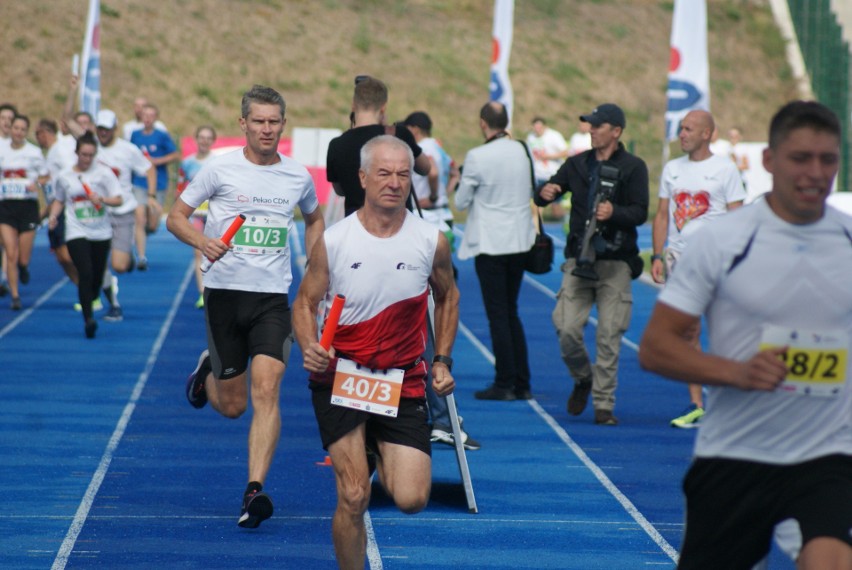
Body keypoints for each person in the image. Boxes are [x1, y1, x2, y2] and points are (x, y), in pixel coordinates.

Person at [638, 100, 852, 569]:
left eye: (828, 159)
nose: (816, 172)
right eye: (801, 158)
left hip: (828, 454)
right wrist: (735, 371)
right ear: (769, 161)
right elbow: (656, 348)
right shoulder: (723, 241)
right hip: (737, 452)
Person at [293, 135, 459, 569]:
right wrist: (311, 345)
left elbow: (448, 296)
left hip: (402, 381)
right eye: (384, 173)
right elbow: (305, 302)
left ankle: (373, 446)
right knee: (353, 494)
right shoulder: (335, 240)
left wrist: (441, 359)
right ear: (362, 178)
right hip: (341, 376)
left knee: (411, 498)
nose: (394, 182)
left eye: (403, 174)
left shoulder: (431, 240)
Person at [167, 85, 324, 529]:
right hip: (224, 296)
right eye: (259, 121)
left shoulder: (297, 176)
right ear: (244, 124)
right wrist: (203, 241)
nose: (267, 129)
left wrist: (316, 262)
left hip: (273, 299)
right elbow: (175, 217)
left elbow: (314, 219)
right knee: (233, 405)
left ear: (283, 125)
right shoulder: (219, 170)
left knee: (268, 389)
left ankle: (254, 489)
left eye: (274, 121)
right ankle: (207, 375)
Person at [534, 103, 649, 425]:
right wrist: (546, 191)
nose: (591, 130)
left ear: (616, 131)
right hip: (579, 260)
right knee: (566, 328)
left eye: (598, 125)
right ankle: (584, 377)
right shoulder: (576, 164)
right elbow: (545, 195)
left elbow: (640, 211)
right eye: (590, 125)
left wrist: (616, 214)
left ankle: (603, 405)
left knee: (610, 335)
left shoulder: (634, 167)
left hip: (615, 262)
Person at [651, 110, 746, 428]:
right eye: (681, 129)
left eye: (689, 129)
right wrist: (656, 255)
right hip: (679, 262)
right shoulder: (672, 169)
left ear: (707, 134)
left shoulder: (724, 169)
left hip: (715, 262)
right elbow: (663, 214)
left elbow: (738, 218)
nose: (682, 134)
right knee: (688, 332)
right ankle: (696, 404)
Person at [403, 110, 477, 449]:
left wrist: (431, 194)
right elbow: (452, 170)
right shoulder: (441, 146)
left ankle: (439, 416)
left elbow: (430, 168)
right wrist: (444, 192)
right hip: (441, 216)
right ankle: (441, 416)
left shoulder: (425, 147)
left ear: (415, 130)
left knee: (430, 308)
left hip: (428, 220)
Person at [456, 101, 536, 401]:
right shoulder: (522, 150)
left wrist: (460, 180)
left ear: (482, 123)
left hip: (490, 243)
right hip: (519, 240)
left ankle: (504, 382)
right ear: (507, 122)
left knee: (498, 314)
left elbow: (462, 201)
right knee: (511, 312)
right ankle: (522, 382)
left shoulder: (477, 156)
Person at [48, 133, 123, 338]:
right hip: (76, 230)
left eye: (91, 155)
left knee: (97, 276)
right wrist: (53, 216)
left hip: (101, 231)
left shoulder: (104, 174)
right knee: (85, 271)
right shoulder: (65, 176)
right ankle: (88, 319)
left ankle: (93, 297)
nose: (87, 159)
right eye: (83, 154)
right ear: (76, 153)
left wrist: (102, 199)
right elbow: (59, 200)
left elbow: (119, 199)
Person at [326, 75, 430, 217]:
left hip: (356, 227)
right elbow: (425, 168)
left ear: (353, 105)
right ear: (383, 108)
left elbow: (340, 191)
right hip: (396, 226)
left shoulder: (336, 145)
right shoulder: (399, 134)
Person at [91, 109, 156, 321]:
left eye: (107, 129)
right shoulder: (90, 149)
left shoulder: (128, 150)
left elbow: (149, 168)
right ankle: (114, 304)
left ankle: (126, 260)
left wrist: (151, 195)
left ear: (114, 129)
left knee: (119, 265)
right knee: (99, 263)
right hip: (97, 213)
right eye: (100, 129)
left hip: (122, 210)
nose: (103, 133)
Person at [0, 114, 50, 310]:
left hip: (27, 207)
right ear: (10, 129)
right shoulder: (1, 149)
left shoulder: (34, 152)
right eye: (16, 128)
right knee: (10, 252)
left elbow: (46, 176)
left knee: (22, 257)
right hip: (6, 207)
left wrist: (36, 184)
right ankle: (15, 295)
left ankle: (23, 268)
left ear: (26, 132)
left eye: (22, 129)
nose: (18, 132)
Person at [130, 103, 180, 270]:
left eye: (151, 115)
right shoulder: (134, 135)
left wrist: (156, 161)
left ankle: (142, 231)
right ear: (141, 116)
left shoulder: (161, 136)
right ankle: (141, 257)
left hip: (158, 183)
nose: (148, 118)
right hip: (139, 182)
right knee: (139, 215)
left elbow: (175, 154)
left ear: (156, 118)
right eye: (145, 115)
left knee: (152, 223)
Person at [35, 118, 78, 285]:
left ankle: (90, 289)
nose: (36, 138)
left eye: (37, 134)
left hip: (63, 208)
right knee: (60, 257)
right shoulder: (51, 152)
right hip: (53, 208)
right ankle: (83, 289)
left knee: (66, 254)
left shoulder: (60, 151)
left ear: (45, 133)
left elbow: (69, 176)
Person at [178, 125, 217, 310]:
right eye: (201, 137)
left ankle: (215, 287)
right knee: (198, 251)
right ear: (196, 139)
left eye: (208, 138)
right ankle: (202, 293)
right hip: (196, 214)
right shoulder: (187, 163)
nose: (204, 141)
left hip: (214, 214)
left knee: (216, 251)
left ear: (212, 141)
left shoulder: (217, 162)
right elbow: (181, 186)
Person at [526, 117, 569, 220]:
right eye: (535, 127)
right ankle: (537, 232)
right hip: (538, 175)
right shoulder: (530, 138)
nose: (537, 130)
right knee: (536, 206)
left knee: (556, 207)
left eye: (540, 127)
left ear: (545, 127)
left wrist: (548, 157)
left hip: (553, 175)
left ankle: (564, 222)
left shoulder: (554, 136)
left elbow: (565, 152)